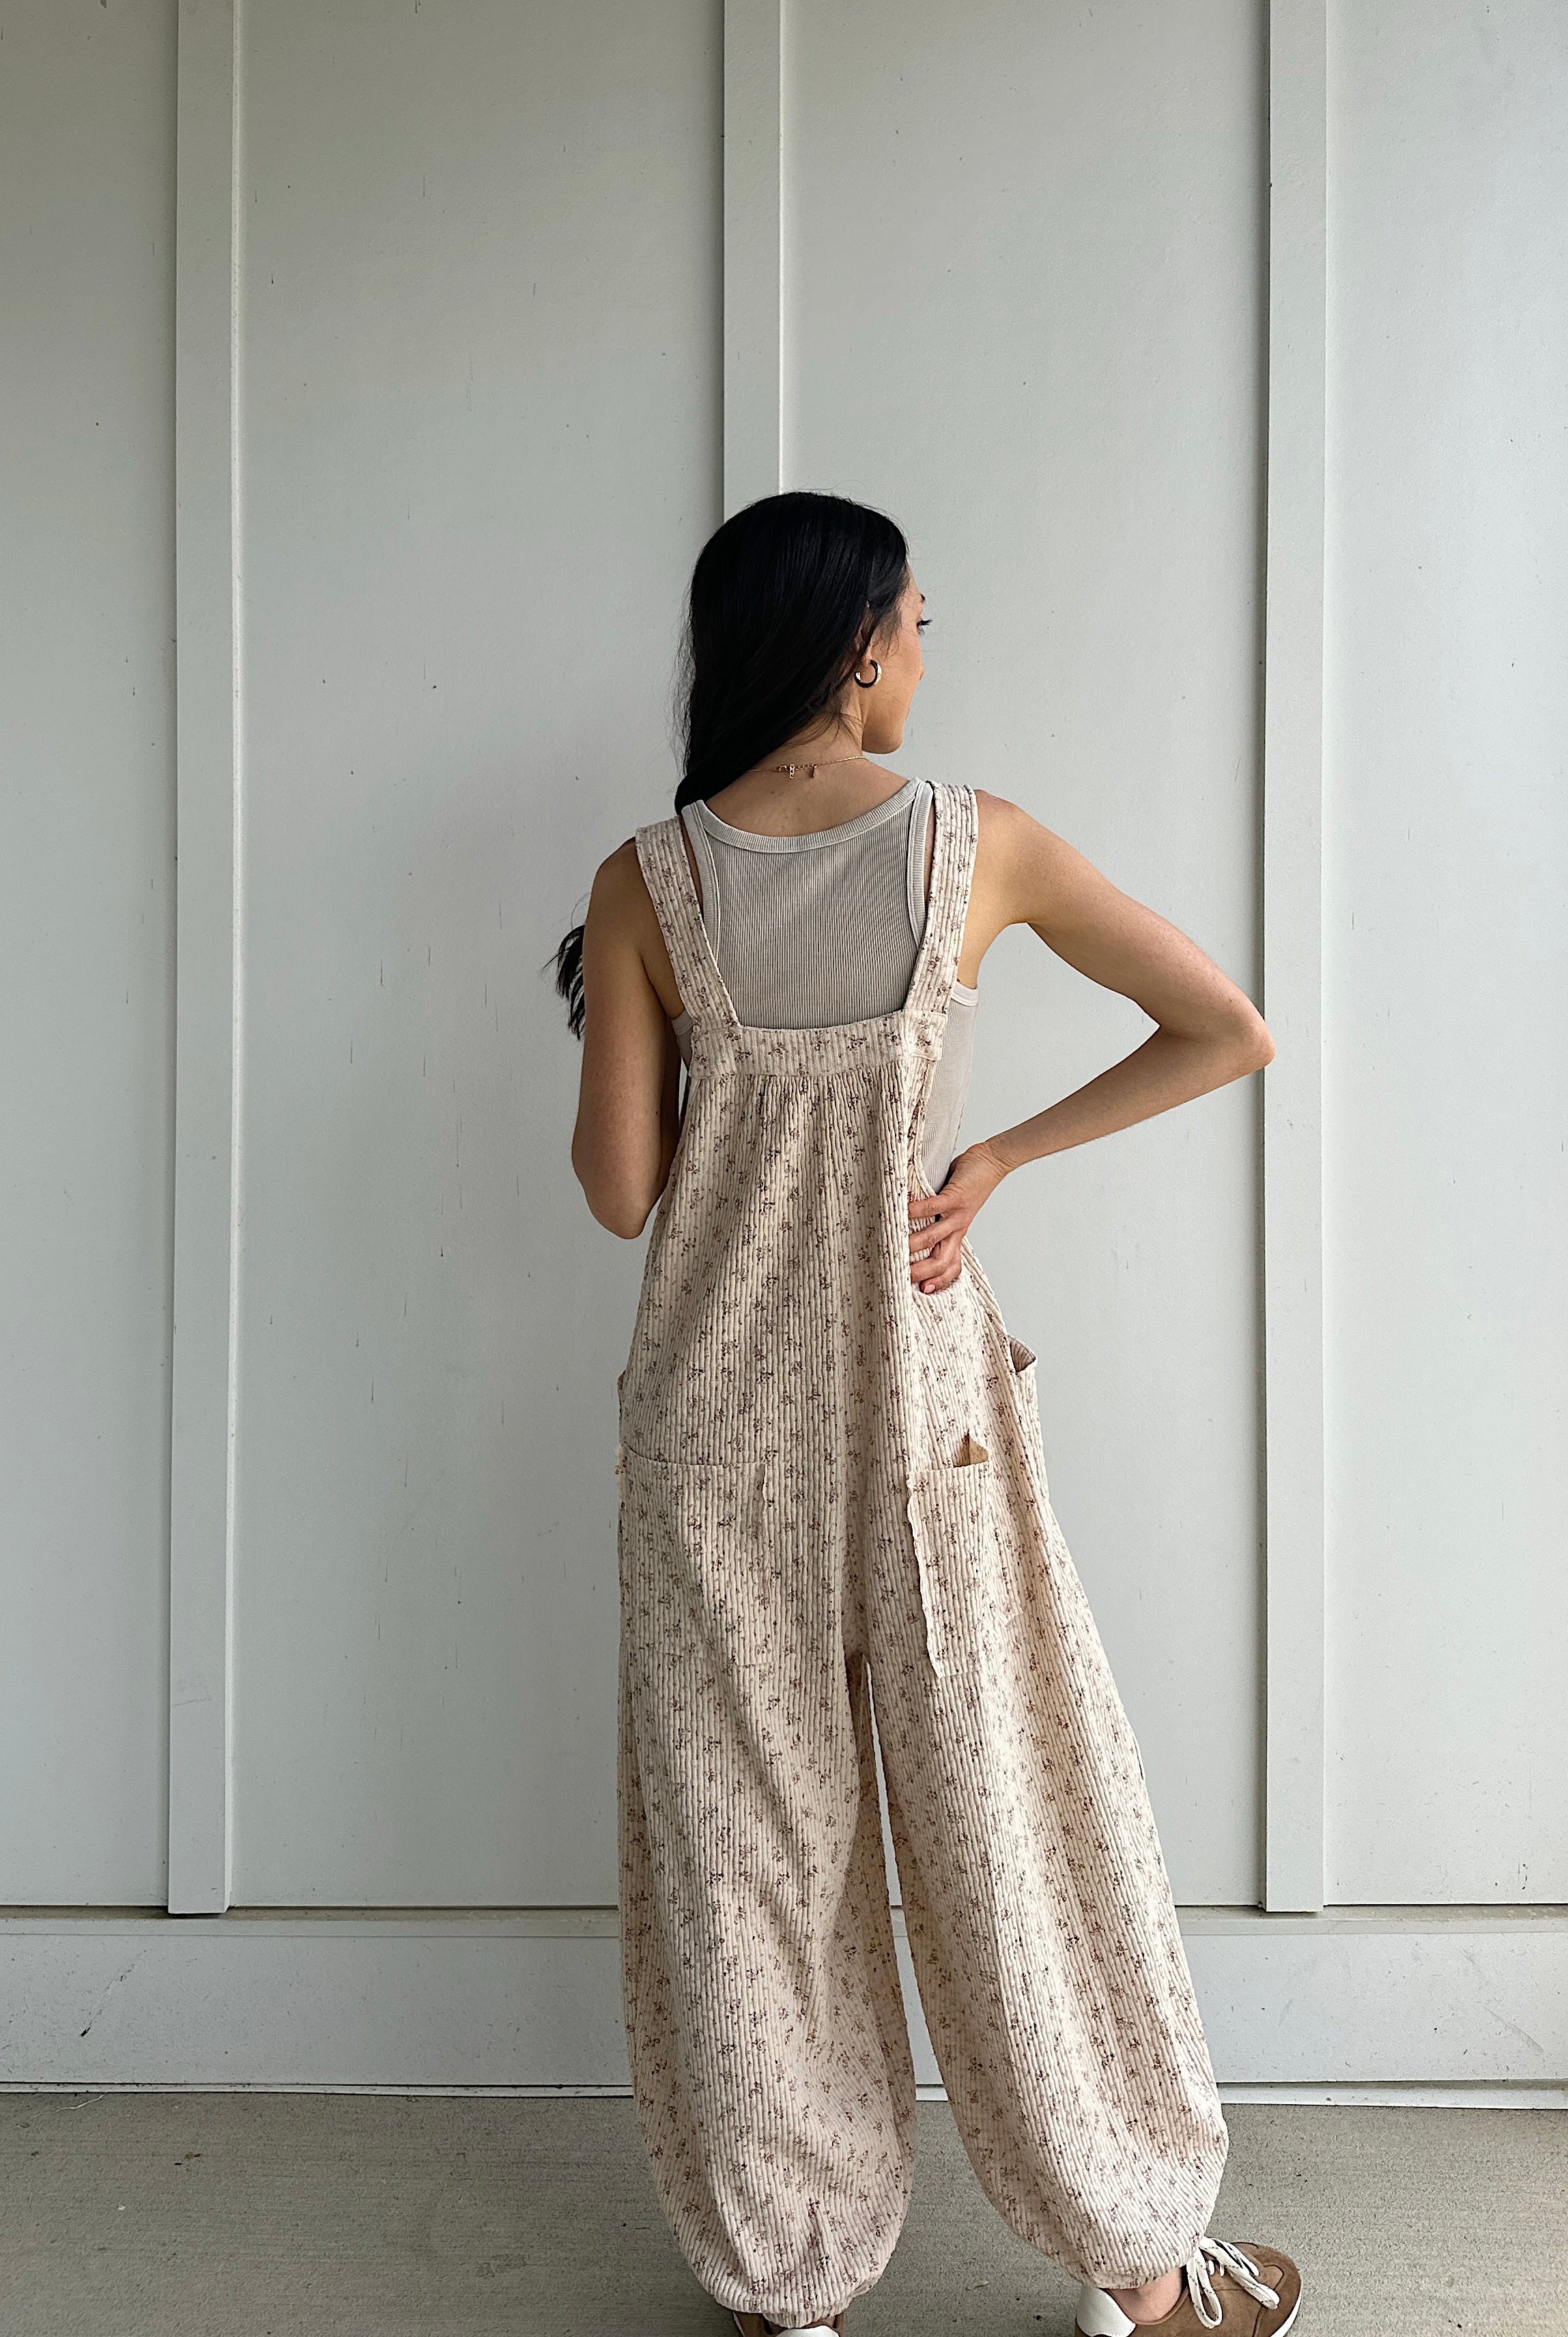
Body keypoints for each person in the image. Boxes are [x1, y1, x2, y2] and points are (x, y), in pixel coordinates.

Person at [556, 492, 1300, 2337]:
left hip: (717, 1433)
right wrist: (999, 1156)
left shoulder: (647, 881)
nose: (924, 653)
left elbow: (619, 1194)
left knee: (751, 1851)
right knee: (1012, 1817)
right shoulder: (983, 847)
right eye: (919, 621)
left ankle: (785, 2289)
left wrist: (614, 1020)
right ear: (860, 639)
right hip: (924, 1427)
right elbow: (1229, 1028)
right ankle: (1142, 2271)